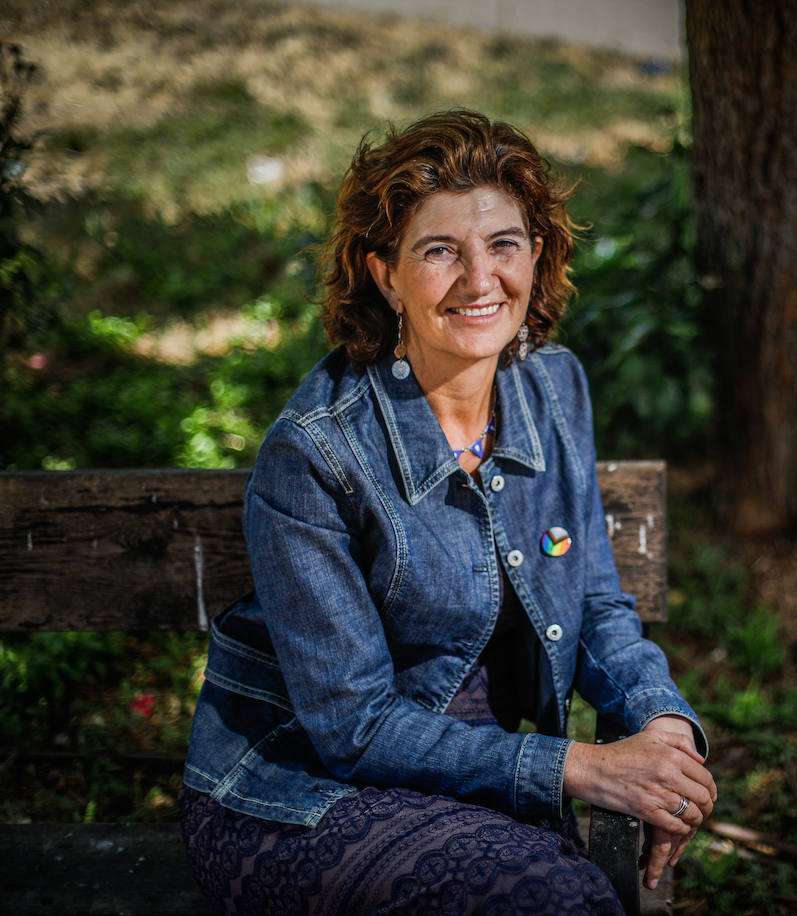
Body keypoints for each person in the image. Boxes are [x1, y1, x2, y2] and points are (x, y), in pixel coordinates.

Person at [180, 109, 714, 915]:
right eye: (439, 251)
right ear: (386, 275)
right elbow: (354, 727)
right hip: (305, 792)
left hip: (477, 771)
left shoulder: (554, 386)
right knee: (558, 903)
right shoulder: (316, 455)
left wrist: (662, 727)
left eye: (503, 244)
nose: (478, 280)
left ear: (537, 256)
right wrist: (584, 766)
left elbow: (598, 602)